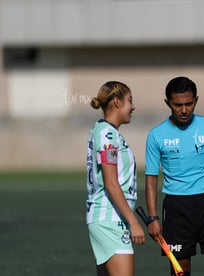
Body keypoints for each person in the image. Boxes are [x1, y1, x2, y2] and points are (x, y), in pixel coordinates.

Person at [144, 76, 204, 276]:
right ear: (167, 103)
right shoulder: (156, 135)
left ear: (196, 100)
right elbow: (151, 179)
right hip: (177, 210)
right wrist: (152, 217)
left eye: (189, 103)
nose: (184, 110)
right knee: (180, 272)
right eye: (178, 105)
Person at [86, 81, 146, 276]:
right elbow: (111, 184)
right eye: (130, 101)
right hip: (109, 220)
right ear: (117, 103)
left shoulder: (104, 131)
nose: (133, 106)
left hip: (108, 219)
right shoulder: (107, 135)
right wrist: (133, 221)